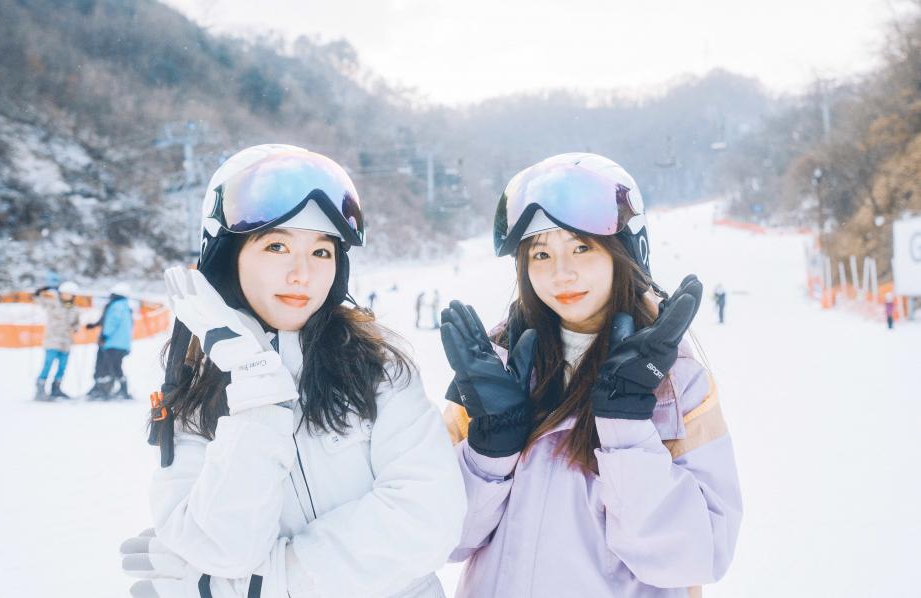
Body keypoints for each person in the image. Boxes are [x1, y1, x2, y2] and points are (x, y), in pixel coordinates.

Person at [119, 145, 465, 597]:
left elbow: (427, 519)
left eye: (321, 251)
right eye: (277, 246)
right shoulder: (195, 392)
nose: (302, 273)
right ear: (227, 257)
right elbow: (222, 548)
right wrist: (255, 386)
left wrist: (263, 585)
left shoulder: (377, 370)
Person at [440, 153, 742, 597]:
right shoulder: (493, 367)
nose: (561, 273)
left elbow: (698, 554)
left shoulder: (674, 382)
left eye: (581, 247)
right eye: (541, 253)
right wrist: (489, 450)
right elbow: (441, 535)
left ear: (625, 252)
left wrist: (626, 430)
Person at [33, 281, 81, 401]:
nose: (66, 296)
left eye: (69, 294)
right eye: (64, 293)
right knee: (48, 365)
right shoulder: (53, 304)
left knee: (62, 367)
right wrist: (43, 289)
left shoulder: (75, 309)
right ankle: (40, 389)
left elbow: (76, 323)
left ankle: (56, 388)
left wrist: (75, 328)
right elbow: (37, 298)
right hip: (52, 341)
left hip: (66, 343)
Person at [85, 283, 134, 400]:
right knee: (115, 366)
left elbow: (111, 322)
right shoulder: (126, 307)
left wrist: (104, 336)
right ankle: (118, 389)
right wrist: (96, 325)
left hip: (112, 343)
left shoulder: (115, 306)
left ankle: (103, 389)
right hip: (122, 344)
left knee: (106, 366)